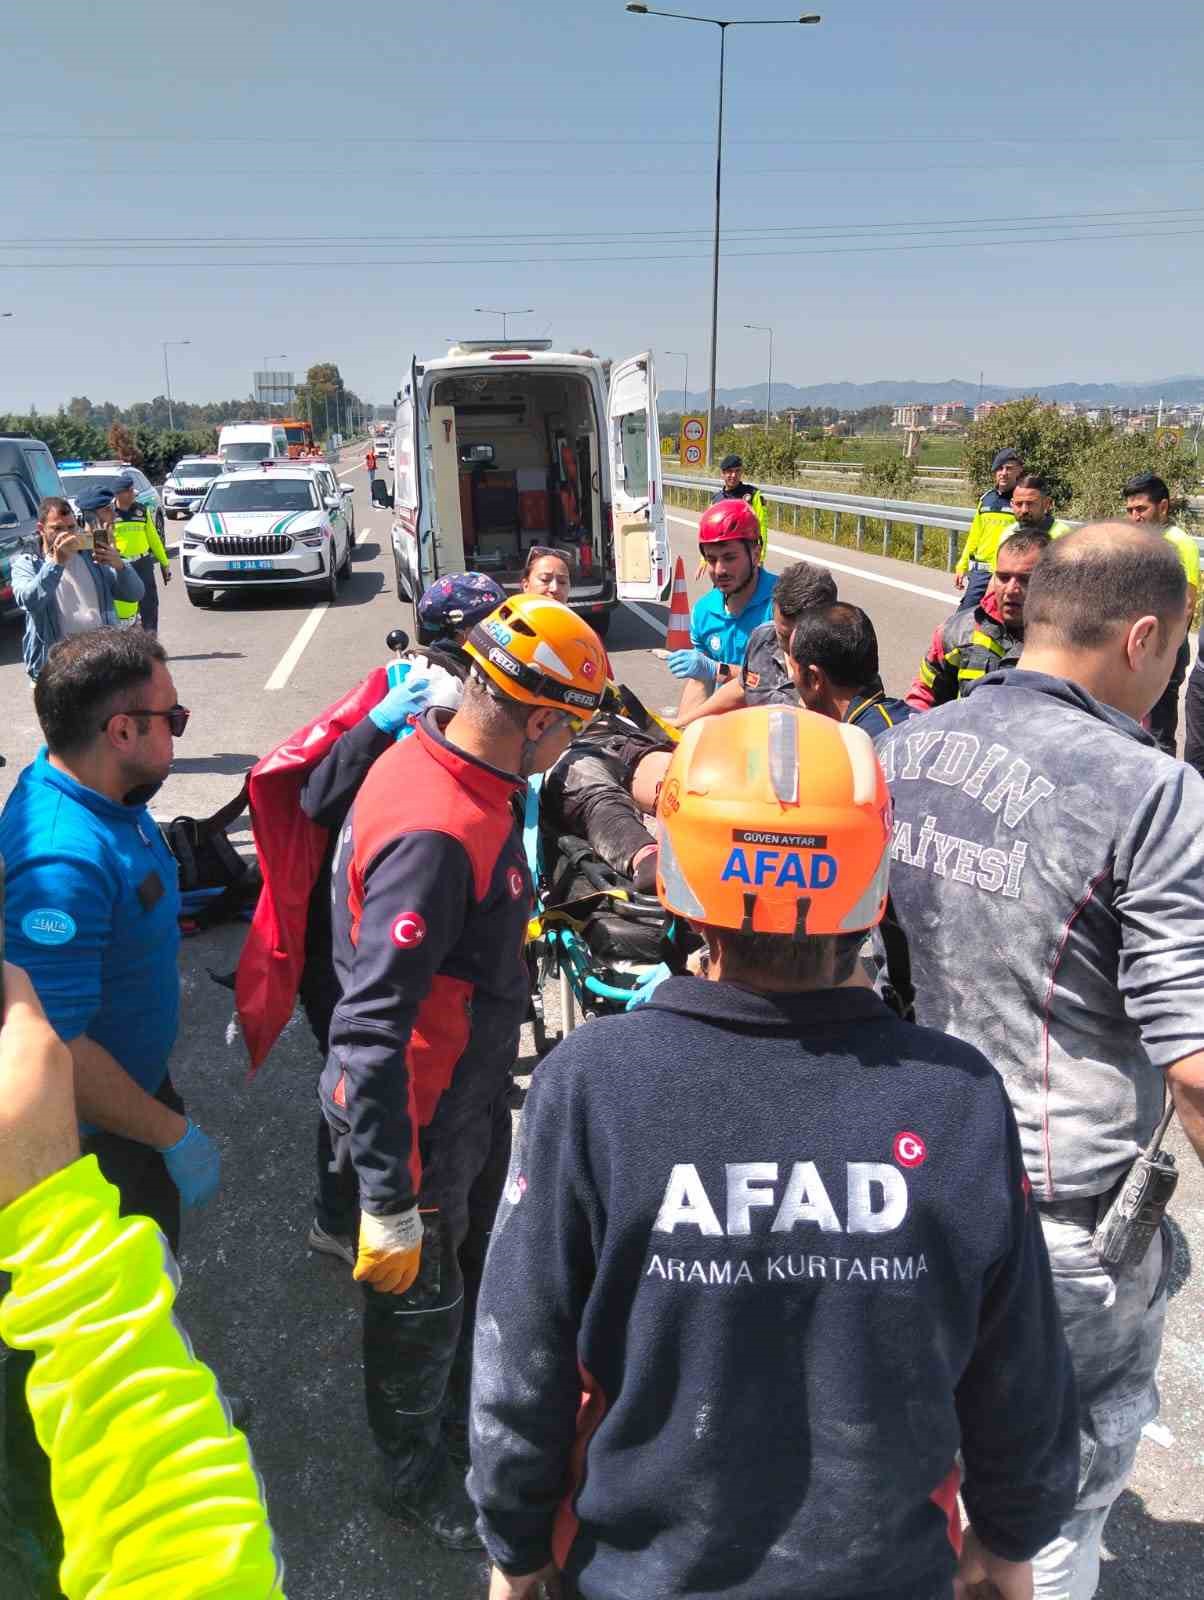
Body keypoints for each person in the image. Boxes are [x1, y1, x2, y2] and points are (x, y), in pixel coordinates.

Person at [468, 705, 1079, 1600]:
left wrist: (517, 1548)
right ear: (872, 878)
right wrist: (1011, 1538)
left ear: (679, 870)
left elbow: (522, 1358)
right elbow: (1018, 1372)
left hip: (642, 1574)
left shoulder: (593, 1083)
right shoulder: (956, 1095)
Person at [878, 524, 1204, 1599]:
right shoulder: (1150, 790)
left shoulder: (905, 748)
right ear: (1144, 637)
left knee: (933, 1459)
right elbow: (1192, 1059)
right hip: (1056, 1219)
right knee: (1053, 1501)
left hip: (905, 1177)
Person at [321, 593, 607, 1550]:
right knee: (420, 1311)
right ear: (539, 721)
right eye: (569, 732)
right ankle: (411, 1479)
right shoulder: (439, 830)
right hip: (418, 1121)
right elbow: (371, 1028)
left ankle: (457, 1427)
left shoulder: (450, 759)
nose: (567, 749)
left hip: (463, 1098)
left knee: (467, 1281)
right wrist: (388, 1196)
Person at [0, 627, 227, 1581]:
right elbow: (54, 1045)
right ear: (122, 731)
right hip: (94, 1143)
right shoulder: (59, 859)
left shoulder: (110, 797)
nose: (182, 728)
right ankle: (74, 1506)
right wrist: (170, 1131)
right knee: (89, 1327)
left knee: (145, 1294)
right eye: (174, 717)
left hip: (132, 1098)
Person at [0, 964, 284, 1600]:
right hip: (90, 1150)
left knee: (153, 1277)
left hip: (109, 1131)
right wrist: (52, 1220)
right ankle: (47, 1521)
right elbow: (193, 1565)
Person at [296, 572, 507, 1266]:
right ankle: (343, 1217)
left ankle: (348, 1210)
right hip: (364, 919)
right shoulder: (413, 699)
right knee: (358, 1071)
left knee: (363, 1066)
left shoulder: (457, 704)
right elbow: (318, 796)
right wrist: (381, 724)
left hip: (391, 911)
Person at [677, 557, 838, 723]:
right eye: (783, 636)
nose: (790, 648)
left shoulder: (839, 669)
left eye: (800, 640)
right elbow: (743, 686)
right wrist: (684, 722)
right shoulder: (764, 639)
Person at [907, 528, 1050, 711]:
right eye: (1003, 577)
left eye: (1025, 580)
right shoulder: (956, 632)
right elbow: (923, 698)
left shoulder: (1071, 641)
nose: (1010, 589)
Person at [10, 494, 144, 680]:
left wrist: (120, 566)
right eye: (57, 528)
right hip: (57, 669)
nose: (67, 534)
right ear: (41, 529)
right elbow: (29, 601)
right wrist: (56, 563)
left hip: (102, 659)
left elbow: (135, 593)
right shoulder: (28, 562)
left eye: (71, 527)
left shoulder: (91, 555)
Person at [669, 498, 777, 720]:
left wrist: (717, 669)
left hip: (772, 726)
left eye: (729, 558)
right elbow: (700, 681)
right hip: (725, 729)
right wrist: (681, 730)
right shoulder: (703, 611)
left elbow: (781, 683)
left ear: (755, 554)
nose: (719, 570)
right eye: (711, 559)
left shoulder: (782, 605)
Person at [1121, 471, 1198, 755]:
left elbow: (1187, 604)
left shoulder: (1179, 543)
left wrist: (1164, 653)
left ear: (1163, 507)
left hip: (1165, 649)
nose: (1135, 516)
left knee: (1160, 731)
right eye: (1130, 510)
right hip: (1137, 644)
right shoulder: (1137, 540)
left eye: (1141, 509)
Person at [787, 601, 913, 737]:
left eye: (793, 668)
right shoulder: (902, 721)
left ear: (814, 678)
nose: (792, 677)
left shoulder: (865, 745)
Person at [954, 447, 1024, 609]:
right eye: (1000, 468)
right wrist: (962, 565)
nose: (1003, 473)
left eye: (1009, 468)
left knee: (1003, 617)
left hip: (1008, 574)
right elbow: (974, 536)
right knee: (964, 617)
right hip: (981, 574)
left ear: (1019, 471)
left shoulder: (1022, 501)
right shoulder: (986, 499)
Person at [111, 473, 171, 635]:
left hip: (143, 563)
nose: (134, 493)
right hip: (121, 566)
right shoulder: (109, 513)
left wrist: (164, 563)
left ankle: (151, 641)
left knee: (149, 604)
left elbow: (153, 539)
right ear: (119, 494)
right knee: (126, 607)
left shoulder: (141, 510)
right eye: (130, 491)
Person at [712, 451, 768, 561]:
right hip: (723, 556)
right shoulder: (716, 499)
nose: (734, 475)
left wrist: (760, 557)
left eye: (737, 471)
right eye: (729, 471)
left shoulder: (752, 494)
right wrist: (705, 559)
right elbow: (711, 531)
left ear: (741, 472)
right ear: (722, 474)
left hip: (747, 555)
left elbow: (761, 526)